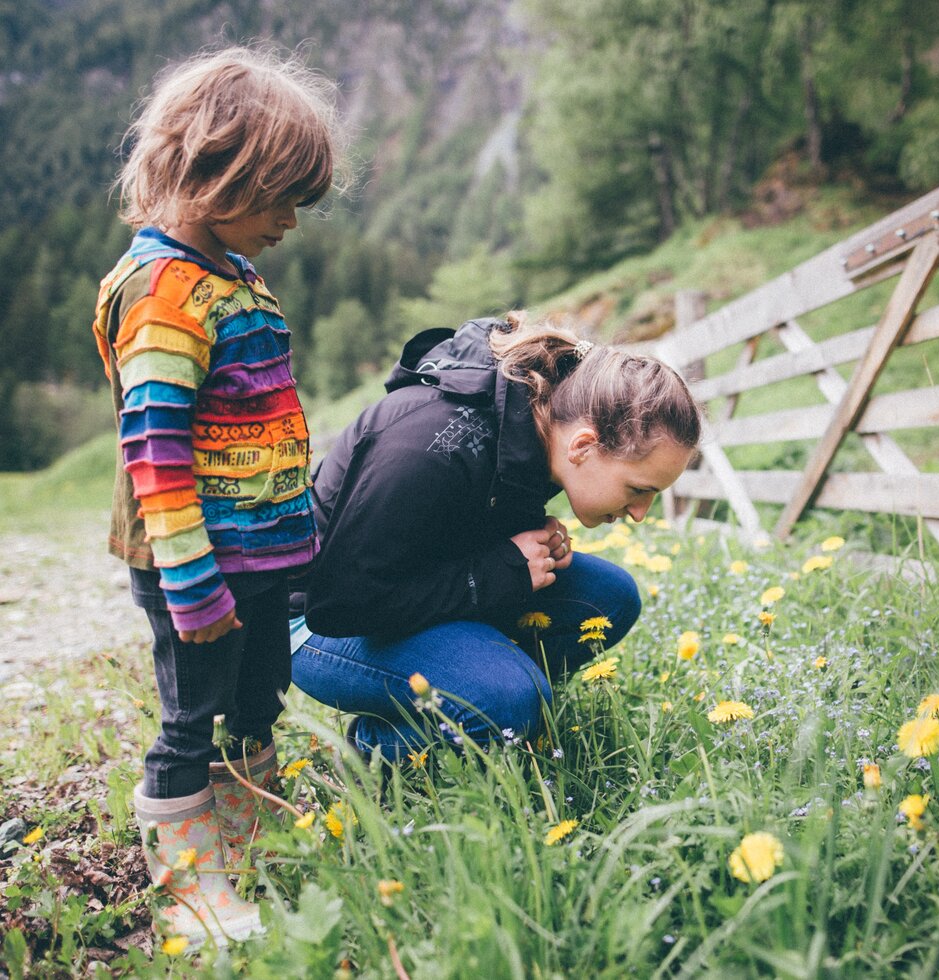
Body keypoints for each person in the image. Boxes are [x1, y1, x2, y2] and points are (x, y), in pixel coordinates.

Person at [91, 46, 344, 950]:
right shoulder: (164, 292)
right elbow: (155, 451)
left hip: (260, 558)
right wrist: (194, 583)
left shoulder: (231, 276)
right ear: (213, 175)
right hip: (198, 565)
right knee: (190, 720)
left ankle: (245, 843)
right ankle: (194, 884)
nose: (288, 221)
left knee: (260, 697)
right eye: (278, 198)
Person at [288, 312, 702, 763]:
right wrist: (501, 571)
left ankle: (482, 703)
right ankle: (374, 749)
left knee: (610, 597)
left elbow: (455, 522)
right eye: (638, 490)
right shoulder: (427, 445)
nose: (640, 514)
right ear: (583, 446)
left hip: (405, 589)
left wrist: (523, 543)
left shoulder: (537, 421)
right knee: (509, 701)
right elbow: (340, 604)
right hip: (315, 620)